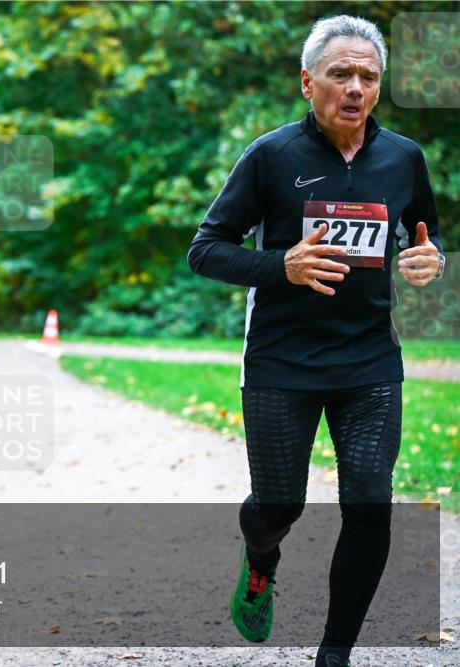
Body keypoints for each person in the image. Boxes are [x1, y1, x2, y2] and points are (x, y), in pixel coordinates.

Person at [187, 15, 445, 667]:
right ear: (308, 82)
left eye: (369, 77)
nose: (355, 88)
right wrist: (282, 265)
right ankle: (261, 559)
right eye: (341, 74)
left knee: (370, 500)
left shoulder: (404, 158)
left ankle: (334, 653)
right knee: (278, 505)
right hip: (282, 360)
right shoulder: (272, 156)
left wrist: (430, 258)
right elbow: (206, 249)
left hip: (369, 361)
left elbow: (425, 235)